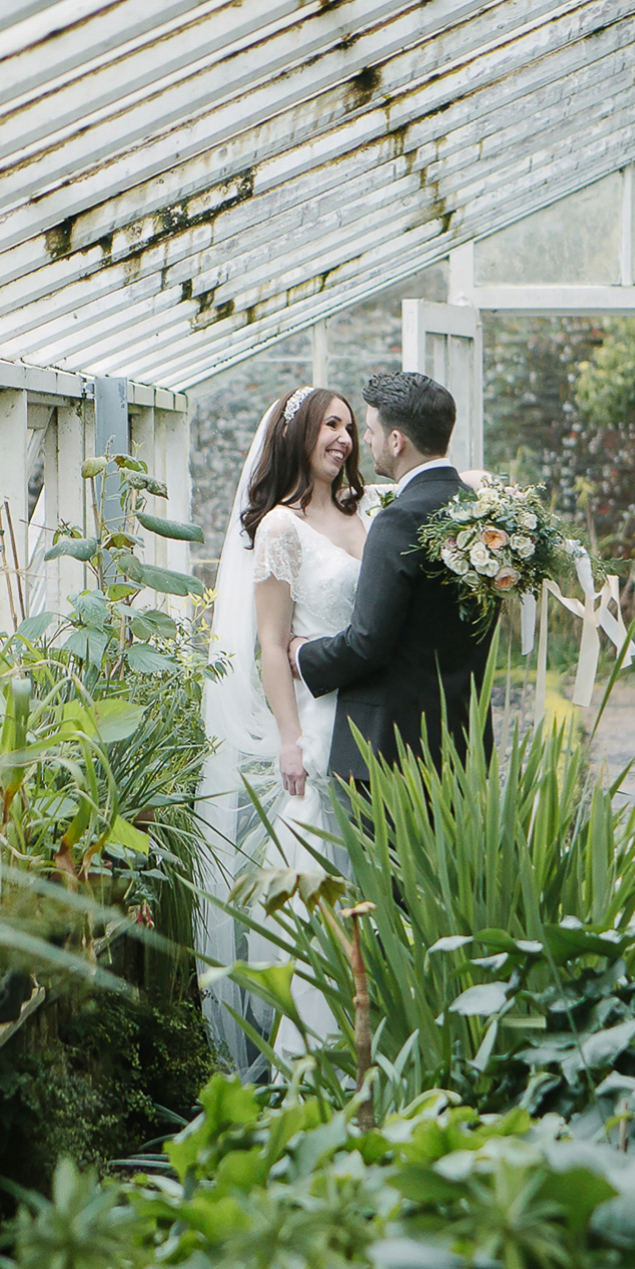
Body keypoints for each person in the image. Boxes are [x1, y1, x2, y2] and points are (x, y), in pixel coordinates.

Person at [195, 384, 371, 1070]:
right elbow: (272, 643)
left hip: (377, 722)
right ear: (299, 434)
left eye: (351, 428)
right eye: (331, 424)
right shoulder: (279, 528)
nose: (344, 439)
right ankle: (318, 1062)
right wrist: (291, 737)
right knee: (322, 896)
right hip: (320, 729)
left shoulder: (370, 511)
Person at [292, 369, 496, 784]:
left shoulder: (398, 521)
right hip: (466, 738)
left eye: (369, 430)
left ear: (397, 440)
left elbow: (367, 643)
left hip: (396, 752)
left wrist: (302, 655)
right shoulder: (479, 510)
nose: (363, 441)